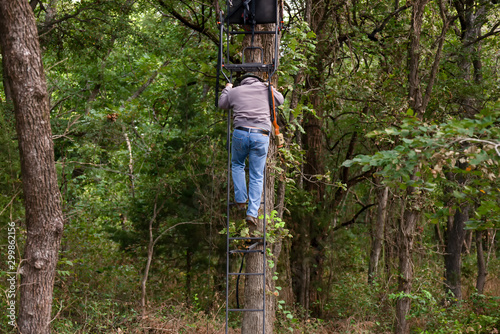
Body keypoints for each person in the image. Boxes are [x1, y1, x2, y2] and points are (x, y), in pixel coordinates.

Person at [218, 74, 284, 225]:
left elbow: (222, 103)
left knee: (237, 165)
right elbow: (280, 100)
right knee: (256, 174)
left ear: (242, 82)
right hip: (261, 135)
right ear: (258, 81)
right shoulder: (266, 89)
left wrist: (227, 89)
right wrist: (270, 87)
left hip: (241, 132)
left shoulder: (236, 91)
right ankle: (252, 213)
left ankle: (241, 200)